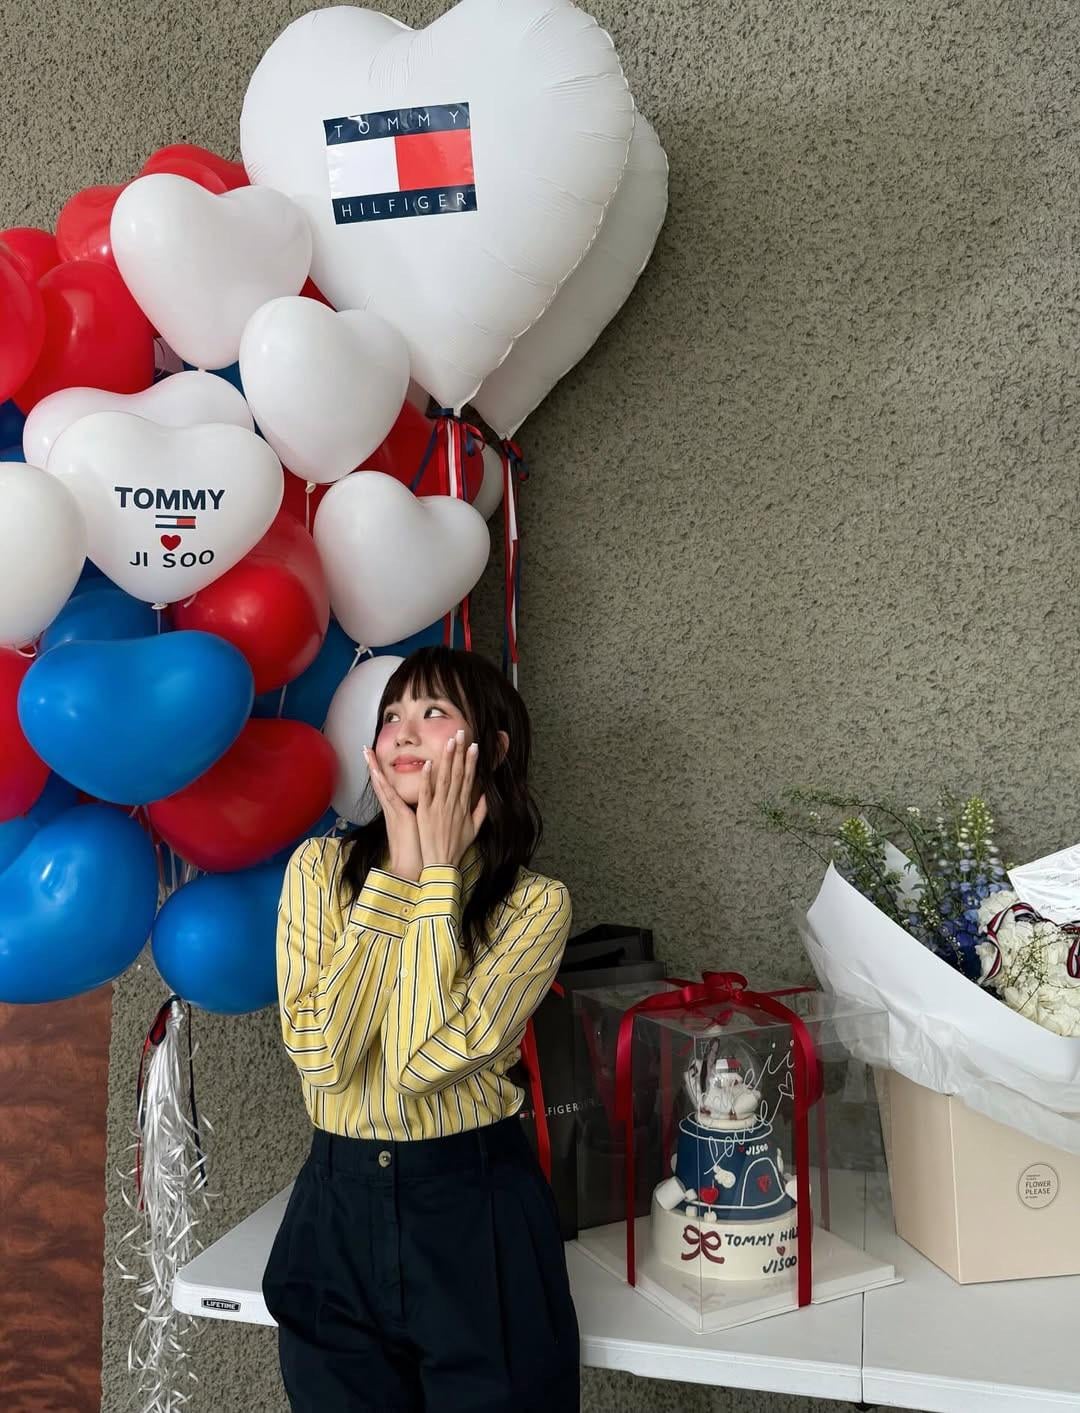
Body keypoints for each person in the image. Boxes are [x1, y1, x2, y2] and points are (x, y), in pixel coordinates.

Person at [262, 646, 580, 1412]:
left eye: (433, 711)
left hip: (476, 1214)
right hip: (334, 1213)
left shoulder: (535, 905)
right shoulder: (318, 870)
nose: (403, 730)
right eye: (392, 715)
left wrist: (434, 879)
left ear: (491, 748)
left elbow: (417, 1062)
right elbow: (321, 1056)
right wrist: (398, 877)